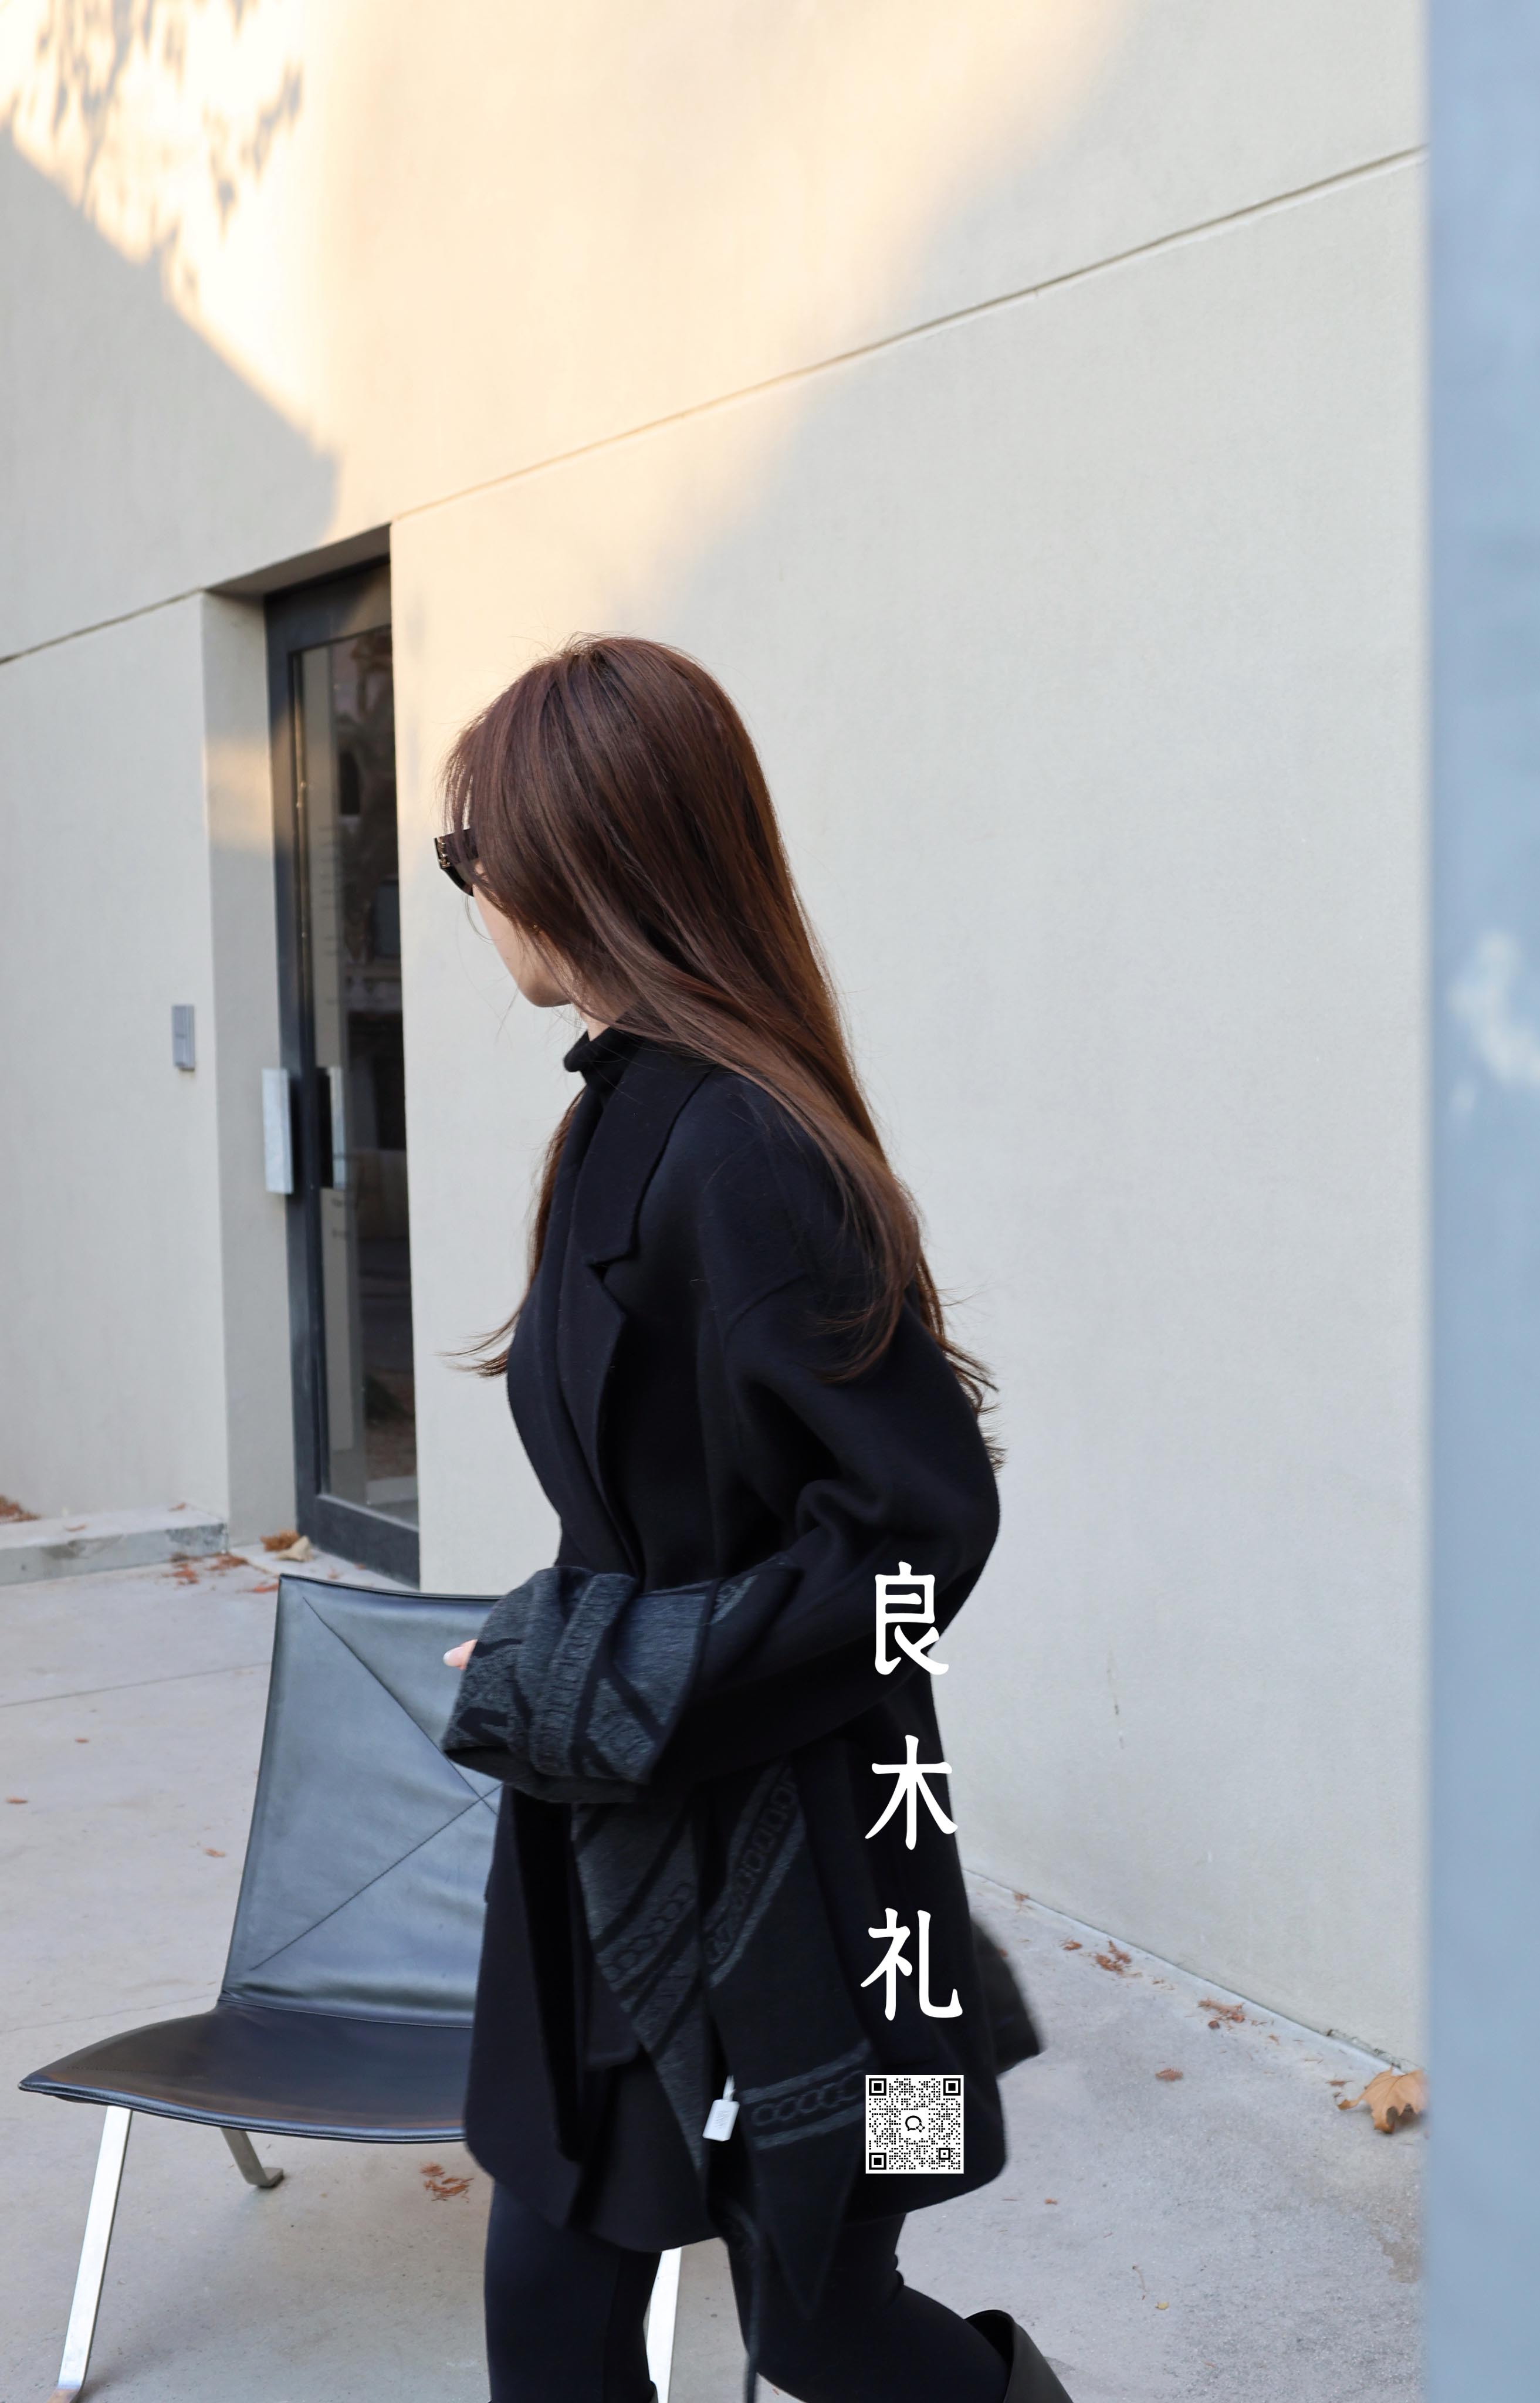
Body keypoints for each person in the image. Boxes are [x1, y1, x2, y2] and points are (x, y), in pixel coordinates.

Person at [431, 635, 1074, 2403]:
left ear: (575, 862)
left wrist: (593, 1669)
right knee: (558, 2291)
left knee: (821, 2313)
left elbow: (917, 1533)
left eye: (470, 852)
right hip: (628, 1823)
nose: (467, 894)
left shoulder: (739, 1149)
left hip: (806, 1857)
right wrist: (576, 1663)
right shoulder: (625, 1111)